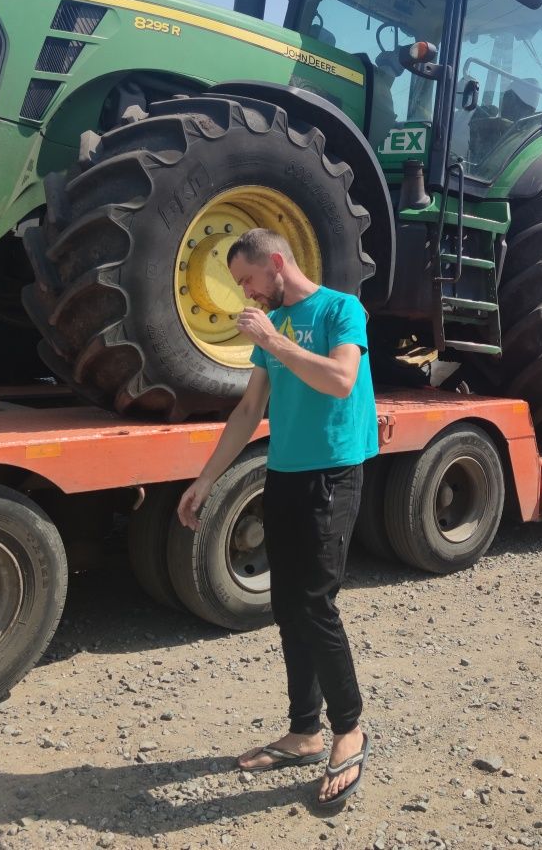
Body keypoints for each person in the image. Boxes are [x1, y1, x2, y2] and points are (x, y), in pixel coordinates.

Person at [177, 228, 377, 809]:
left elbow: (340, 381)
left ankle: (349, 730)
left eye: (247, 279)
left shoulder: (342, 309)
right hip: (286, 472)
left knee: (316, 604)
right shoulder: (270, 329)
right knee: (289, 607)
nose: (246, 292)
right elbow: (248, 409)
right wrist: (206, 478)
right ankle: (304, 731)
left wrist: (275, 339)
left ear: (275, 263)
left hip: (333, 473)